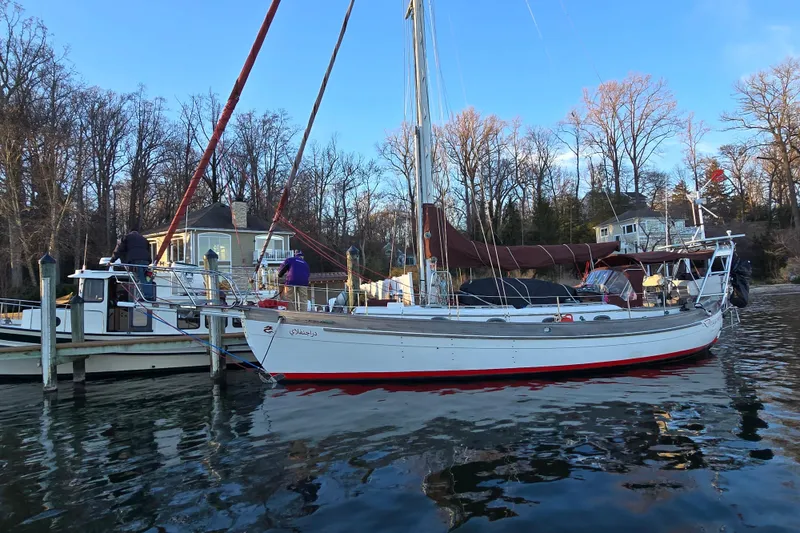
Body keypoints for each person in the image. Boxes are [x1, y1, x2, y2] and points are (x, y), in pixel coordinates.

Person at [110, 223, 151, 293]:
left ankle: (144, 296)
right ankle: (149, 294)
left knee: (139, 279)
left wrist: (112, 261)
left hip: (135, 261)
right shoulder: (144, 239)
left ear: (130, 232)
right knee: (146, 279)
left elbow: (118, 250)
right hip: (145, 262)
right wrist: (149, 261)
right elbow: (148, 250)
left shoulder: (126, 238)